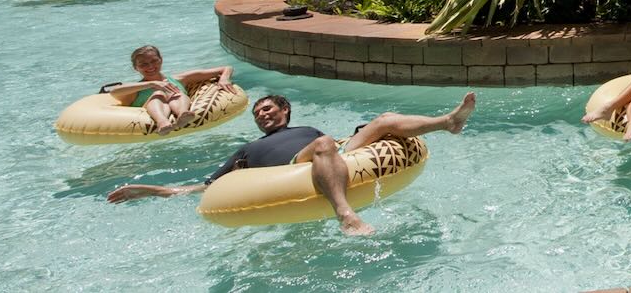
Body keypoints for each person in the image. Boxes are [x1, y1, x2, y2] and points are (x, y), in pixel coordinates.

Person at [107, 92, 478, 235]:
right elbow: (206, 187)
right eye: (257, 113)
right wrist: (153, 190)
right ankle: (347, 216)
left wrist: (351, 140)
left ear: (284, 110)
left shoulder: (308, 129)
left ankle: (447, 122)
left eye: (267, 109)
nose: (262, 115)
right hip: (292, 168)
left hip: (326, 154)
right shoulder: (247, 150)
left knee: (383, 119)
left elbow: (338, 149)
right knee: (323, 144)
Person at [105, 45, 234, 135]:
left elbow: (226, 68)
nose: (150, 66)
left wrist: (224, 79)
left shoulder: (179, 79)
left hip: (178, 104)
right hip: (148, 117)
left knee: (176, 92)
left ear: (161, 60)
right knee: (159, 94)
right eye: (143, 64)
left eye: (154, 61)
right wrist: (152, 84)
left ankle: (183, 114)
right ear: (136, 68)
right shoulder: (135, 89)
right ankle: (162, 122)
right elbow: (114, 91)